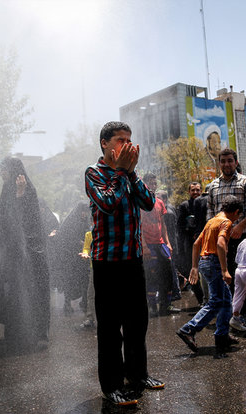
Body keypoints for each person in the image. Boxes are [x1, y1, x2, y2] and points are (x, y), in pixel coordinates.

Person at [85, 121, 164, 406]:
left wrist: (130, 173)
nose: (127, 146)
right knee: (109, 327)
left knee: (137, 322)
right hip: (107, 262)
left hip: (133, 259)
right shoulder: (94, 173)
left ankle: (138, 375)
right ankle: (112, 386)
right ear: (105, 144)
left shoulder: (129, 173)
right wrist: (121, 172)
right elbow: (108, 202)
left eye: (129, 140)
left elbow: (149, 203)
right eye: (120, 140)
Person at [0, 156, 50, 351]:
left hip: (29, 254)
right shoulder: (6, 189)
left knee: (31, 291)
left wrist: (20, 195)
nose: (1, 172)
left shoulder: (28, 189)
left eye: (3, 169)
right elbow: (3, 220)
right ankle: (12, 332)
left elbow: (28, 223)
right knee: (8, 291)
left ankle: (37, 334)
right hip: (11, 253)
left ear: (13, 170)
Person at [176, 195, 242, 358]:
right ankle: (188, 330)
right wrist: (225, 270)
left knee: (226, 300)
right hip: (214, 263)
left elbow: (196, 243)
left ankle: (221, 335)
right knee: (216, 301)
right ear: (236, 212)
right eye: (238, 215)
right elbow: (220, 244)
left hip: (205, 262)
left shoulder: (212, 220)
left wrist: (194, 266)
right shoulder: (226, 222)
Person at [206, 148, 246, 278]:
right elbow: (210, 211)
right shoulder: (213, 186)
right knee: (224, 275)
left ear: (236, 162)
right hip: (221, 240)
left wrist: (241, 225)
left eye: (230, 161)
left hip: (242, 238)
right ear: (219, 163)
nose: (227, 164)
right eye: (223, 161)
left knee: (245, 275)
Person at [141, 174, 179, 316]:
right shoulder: (140, 202)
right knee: (151, 276)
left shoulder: (159, 202)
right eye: (150, 183)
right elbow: (138, 225)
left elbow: (163, 225)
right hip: (148, 244)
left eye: (154, 183)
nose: (153, 186)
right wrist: (143, 245)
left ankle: (166, 305)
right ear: (144, 185)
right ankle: (152, 307)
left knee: (168, 274)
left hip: (161, 244)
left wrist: (168, 243)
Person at [52, 202, 91, 315]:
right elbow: (65, 237)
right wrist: (79, 242)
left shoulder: (84, 221)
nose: (84, 214)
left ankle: (84, 302)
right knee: (69, 280)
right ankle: (67, 304)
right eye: (83, 212)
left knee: (84, 280)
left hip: (82, 257)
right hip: (69, 258)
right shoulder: (71, 222)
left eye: (86, 212)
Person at [176, 182, 205, 306]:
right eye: (193, 190)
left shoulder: (205, 204)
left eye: (198, 190)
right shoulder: (184, 206)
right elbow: (179, 226)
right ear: (189, 192)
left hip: (204, 242)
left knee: (206, 269)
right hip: (189, 243)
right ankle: (201, 299)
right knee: (192, 270)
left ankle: (209, 298)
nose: (195, 192)